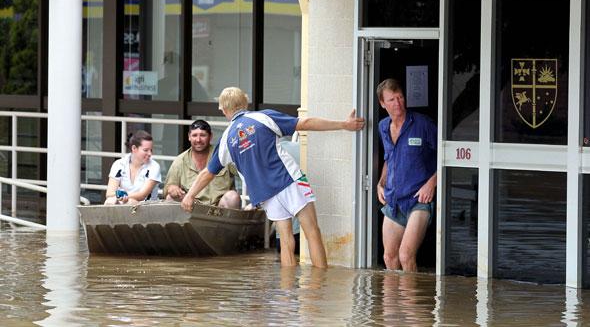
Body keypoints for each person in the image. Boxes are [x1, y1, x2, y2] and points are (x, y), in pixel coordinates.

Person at [181, 86, 365, 268]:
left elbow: (208, 173)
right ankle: (318, 291)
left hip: (266, 194)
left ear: (223, 109)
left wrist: (189, 196)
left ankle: (286, 296)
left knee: (285, 242)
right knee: (312, 232)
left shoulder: (227, 139)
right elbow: (305, 123)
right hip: (290, 180)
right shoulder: (263, 117)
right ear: (245, 102)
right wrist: (343, 124)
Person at [376, 78, 437, 272]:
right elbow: (389, 158)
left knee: (406, 255)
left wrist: (431, 183)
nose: (398, 103)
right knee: (389, 257)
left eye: (400, 97)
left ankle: (411, 302)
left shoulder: (423, 124)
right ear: (382, 103)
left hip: (419, 199)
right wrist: (380, 182)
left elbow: (446, 158)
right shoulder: (383, 126)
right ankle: (394, 303)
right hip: (394, 200)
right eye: (392, 100)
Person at [162, 119, 241, 209]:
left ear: (210, 136)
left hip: (220, 209)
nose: (198, 140)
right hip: (193, 208)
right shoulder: (180, 160)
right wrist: (172, 188)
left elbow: (245, 172)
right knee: (170, 198)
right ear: (189, 137)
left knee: (232, 197)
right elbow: (168, 188)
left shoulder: (222, 155)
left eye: (203, 135)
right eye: (194, 135)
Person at [104, 130, 162, 205]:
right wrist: (122, 198)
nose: (150, 153)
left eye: (151, 150)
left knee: (131, 202)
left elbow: (142, 195)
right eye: (146, 150)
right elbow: (109, 194)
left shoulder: (154, 166)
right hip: (123, 203)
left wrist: (124, 196)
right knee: (110, 201)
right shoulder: (119, 164)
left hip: (147, 207)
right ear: (134, 148)